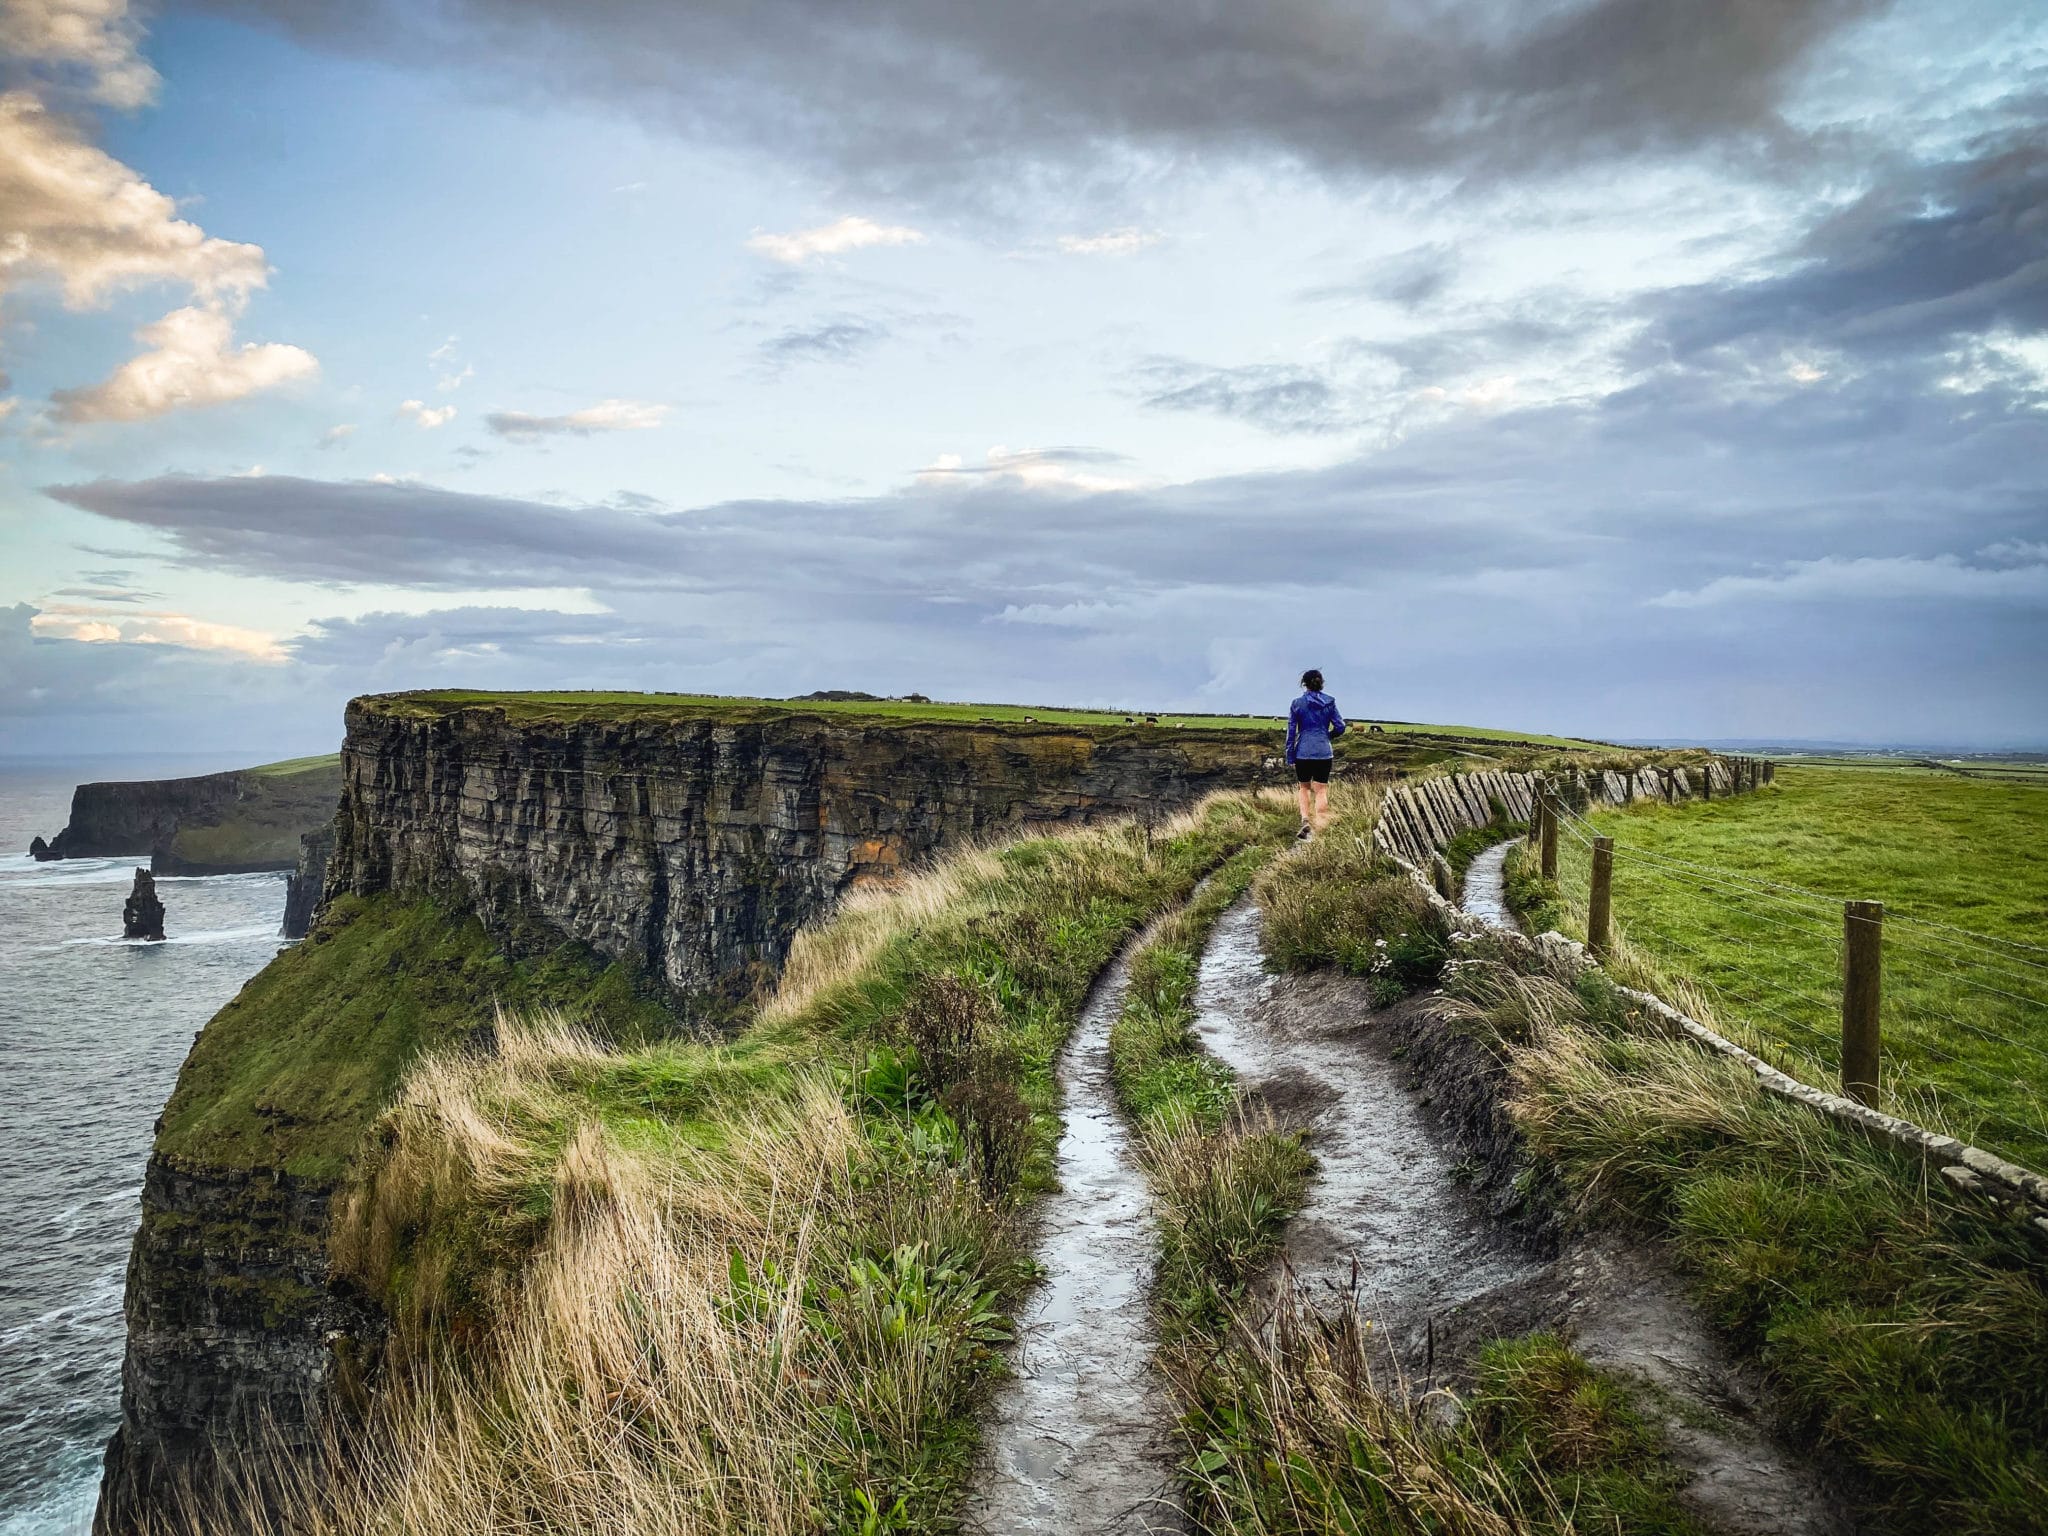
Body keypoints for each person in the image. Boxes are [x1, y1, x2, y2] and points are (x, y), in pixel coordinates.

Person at [1285, 668, 1345, 838]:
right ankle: (1320, 824)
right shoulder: (1330, 702)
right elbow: (1340, 726)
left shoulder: (1297, 703)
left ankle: (1305, 821)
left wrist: (1290, 754)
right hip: (1324, 752)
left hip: (1303, 751)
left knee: (1304, 787)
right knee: (1321, 790)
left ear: (1304, 684)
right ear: (1321, 683)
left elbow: (1291, 731)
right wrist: (1328, 736)